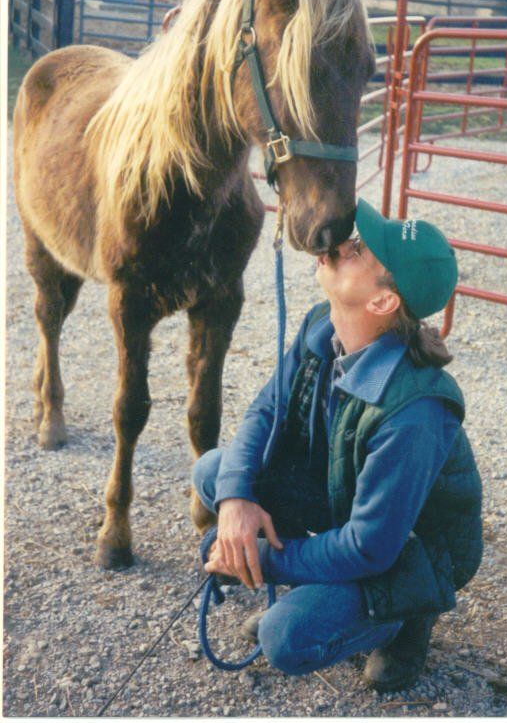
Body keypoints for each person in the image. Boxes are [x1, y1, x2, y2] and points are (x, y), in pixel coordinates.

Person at [192, 198, 482, 691]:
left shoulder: (415, 412)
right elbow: (266, 411)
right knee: (216, 473)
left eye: (359, 250)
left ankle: (407, 617)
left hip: (412, 550)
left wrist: (262, 559)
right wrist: (237, 499)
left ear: (383, 302)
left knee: (286, 638)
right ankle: (323, 591)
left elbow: (368, 548)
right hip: (344, 499)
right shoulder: (321, 326)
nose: (339, 245)